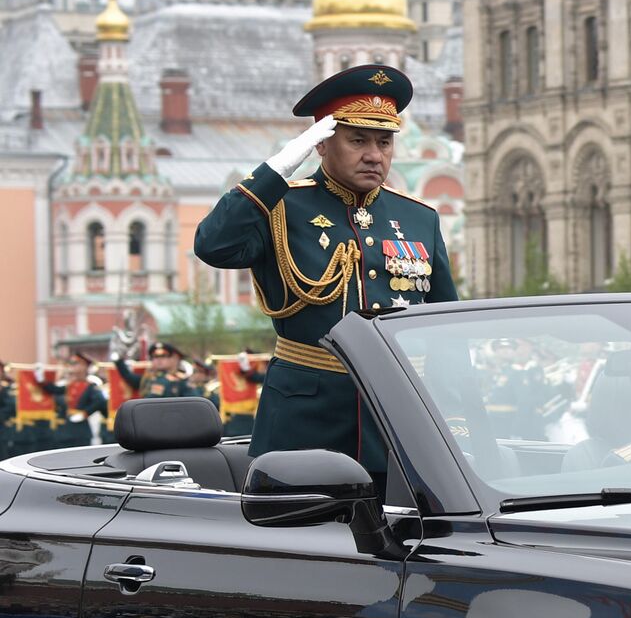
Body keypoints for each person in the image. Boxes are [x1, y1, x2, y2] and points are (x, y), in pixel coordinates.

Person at [194, 65, 458, 477]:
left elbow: (445, 332)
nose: (374, 154)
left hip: (399, 420)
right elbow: (214, 245)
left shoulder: (417, 217)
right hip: (304, 421)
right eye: (357, 140)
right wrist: (276, 171)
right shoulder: (281, 206)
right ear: (320, 145)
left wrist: (459, 425)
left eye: (385, 142)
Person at [114, 342, 193, 400]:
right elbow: (130, 378)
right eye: (155, 357)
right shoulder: (149, 377)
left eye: (164, 356)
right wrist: (118, 361)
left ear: (175, 358)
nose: (159, 360)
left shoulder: (181, 379)